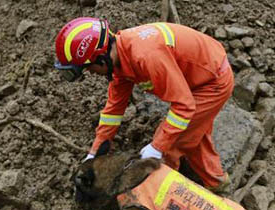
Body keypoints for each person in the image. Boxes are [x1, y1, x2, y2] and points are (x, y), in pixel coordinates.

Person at [54, 18, 233, 192]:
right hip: (197, 79)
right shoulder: (120, 60)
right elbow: (113, 110)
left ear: (101, 58)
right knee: (192, 133)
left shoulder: (146, 56)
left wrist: (156, 149)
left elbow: (184, 106)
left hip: (213, 82)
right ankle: (217, 183)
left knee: (170, 145)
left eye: (89, 68)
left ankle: (162, 199)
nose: (92, 73)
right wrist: (96, 151)